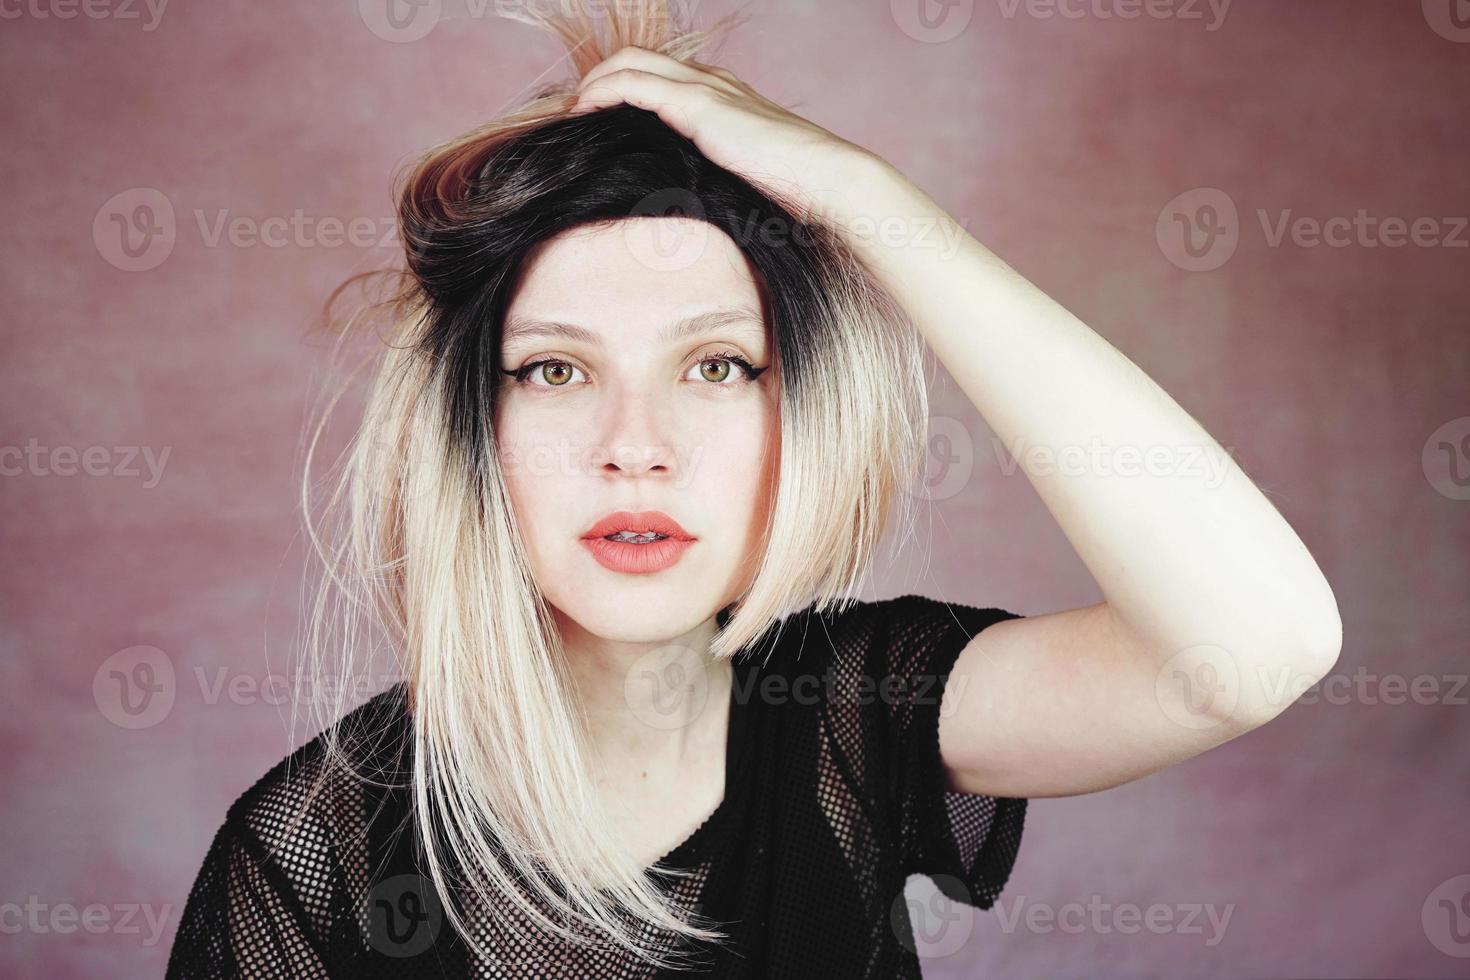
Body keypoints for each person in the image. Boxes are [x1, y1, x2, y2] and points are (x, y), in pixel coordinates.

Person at [166, 2, 1343, 976]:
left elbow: (1255, 643)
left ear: (797, 414)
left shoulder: (853, 713)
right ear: (472, 423)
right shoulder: (307, 857)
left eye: (719, 365)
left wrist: (869, 202)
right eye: (557, 369)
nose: (638, 445)